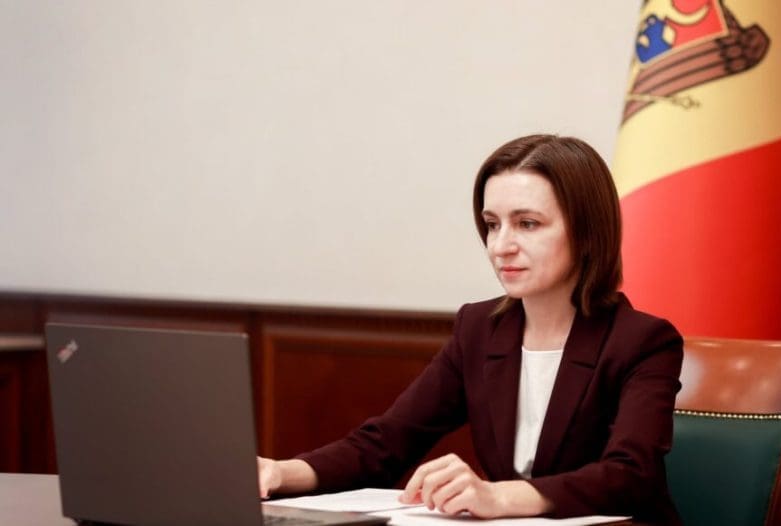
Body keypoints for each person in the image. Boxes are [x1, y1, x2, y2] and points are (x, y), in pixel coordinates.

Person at [258, 134, 684, 524]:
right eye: (493, 224)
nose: (500, 246)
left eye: (527, 224)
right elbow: (385, 443)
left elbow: (629, 475)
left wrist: (499, 496)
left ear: (587, 232)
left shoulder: (642, 342)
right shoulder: (479, 330)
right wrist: (280, 472)